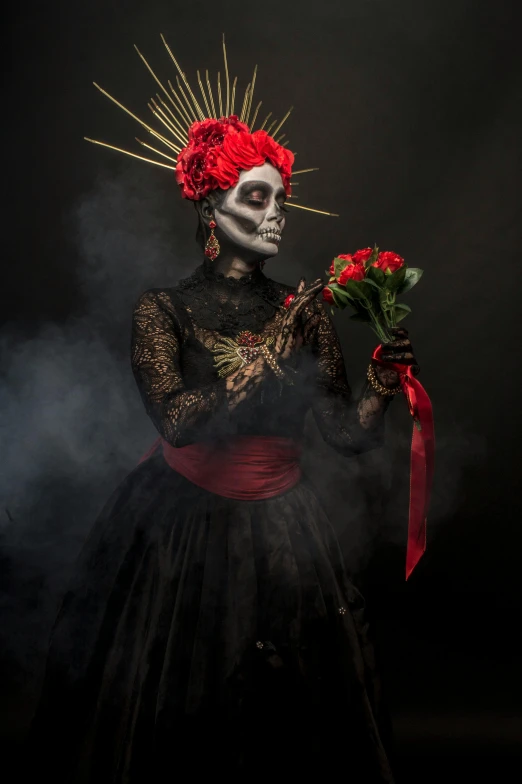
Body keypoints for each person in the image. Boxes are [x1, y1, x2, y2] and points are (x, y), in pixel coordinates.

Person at [26, 40, 419, 784]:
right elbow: (175, 420)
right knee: (179, 699)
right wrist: (256, 367)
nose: (276, 215)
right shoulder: (161, 310)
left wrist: (381, 389)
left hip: (284, 527)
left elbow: (345, 436)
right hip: (180, 523)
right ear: (211, 205)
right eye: (256, 197)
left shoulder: (304, 310)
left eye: (281, 198)